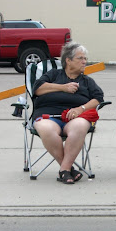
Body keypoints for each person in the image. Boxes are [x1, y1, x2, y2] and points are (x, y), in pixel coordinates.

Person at [32, 42, 104, 184]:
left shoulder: (87, 81)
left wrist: (80, 109)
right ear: (68, 60)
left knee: (79, 127)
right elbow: (38, 89)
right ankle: (68, 169)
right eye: (80, 58)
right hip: (48, 115)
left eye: (85, 58)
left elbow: (98, 98)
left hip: (75, 117)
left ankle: (64, 169)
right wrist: (63, 88)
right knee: (46, 129)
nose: (84, 62)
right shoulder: (53, 75)